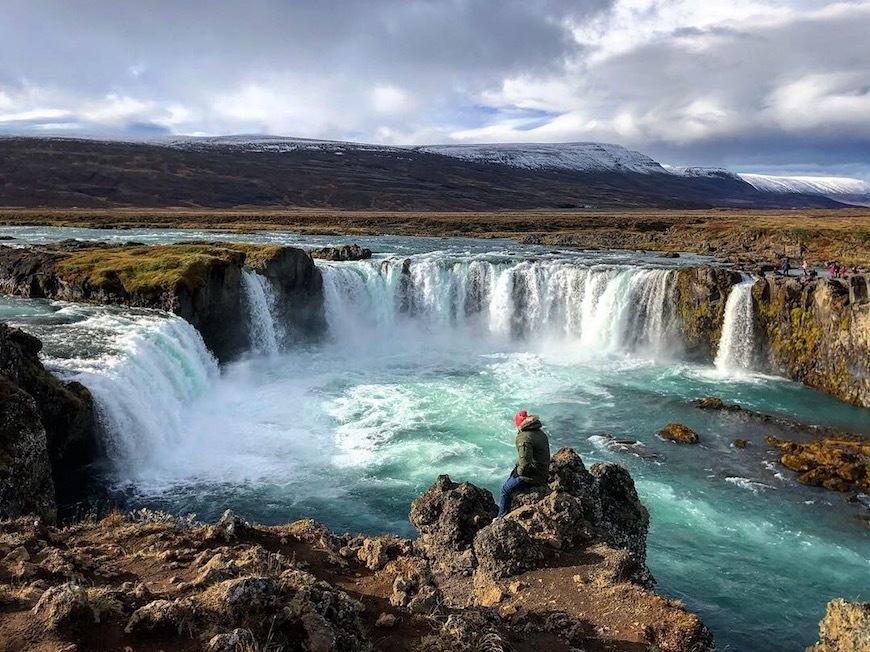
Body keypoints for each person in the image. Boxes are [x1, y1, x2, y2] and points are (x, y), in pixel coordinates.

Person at [495, 410, 551, 520]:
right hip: (543, 471)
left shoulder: (524, 438)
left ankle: (501, 518)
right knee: (512, 477)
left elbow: (525, 462)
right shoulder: (539, 432)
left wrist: (519, 473)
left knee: (505, 490)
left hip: (534, 476)